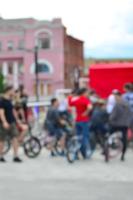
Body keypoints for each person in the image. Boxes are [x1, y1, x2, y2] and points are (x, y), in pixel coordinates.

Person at [0, 86, 23, 162]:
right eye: (12, 91)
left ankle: (15, 156)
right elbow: (1, 113)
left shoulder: (9, 100)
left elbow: (13, 111)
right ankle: (1, 156)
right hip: (4, 124)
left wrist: (17, 120)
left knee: (15, 138)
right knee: (2, 140)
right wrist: (4, 122)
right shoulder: (2, 100)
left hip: (12, 122)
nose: (13, 92)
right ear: (8, 91)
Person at [69, 88, 92, 159]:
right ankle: (86, 153)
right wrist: (86, 113)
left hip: (77, 121)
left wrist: (70, 96)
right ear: (84, 93)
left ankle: (76, 154)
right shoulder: (85, 100)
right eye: (87, 92)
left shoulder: (77, 100)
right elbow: (90, 107)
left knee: (78, 137)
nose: (88, 94)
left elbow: (70, 103)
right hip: (84, 121)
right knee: (85, 137)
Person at [109, 92, 132, 161]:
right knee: (124, 138)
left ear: (119, 96)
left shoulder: (117, 104)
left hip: (116, 124)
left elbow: (113, 115)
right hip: (125, 124)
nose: (115, 99)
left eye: (115, 97)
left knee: (110, 135)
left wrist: (110, 120)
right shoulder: (128, 104)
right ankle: (123, 155)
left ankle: (110, 147)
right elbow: (130, 114)